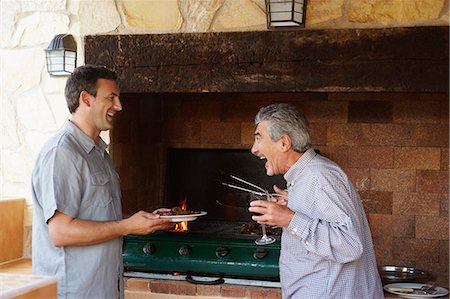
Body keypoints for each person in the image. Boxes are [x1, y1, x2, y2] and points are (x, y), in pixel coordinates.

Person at [31, 65, 174, 299]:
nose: (119, 106)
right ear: (86, 99)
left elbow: (99, 218)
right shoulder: (62, 153)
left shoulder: (99, 153)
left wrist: (145, 220)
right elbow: (61, 232)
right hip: (74, 292)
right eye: (111, 97)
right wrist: (127, 227)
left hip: (104, 288)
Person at [248, 103, 384, 299]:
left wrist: (290, 219)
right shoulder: (309, 175)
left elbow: (350, 245)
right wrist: (293, 204)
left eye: (258, 138)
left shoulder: (319, 177)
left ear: (284, 143)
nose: (254, 149)